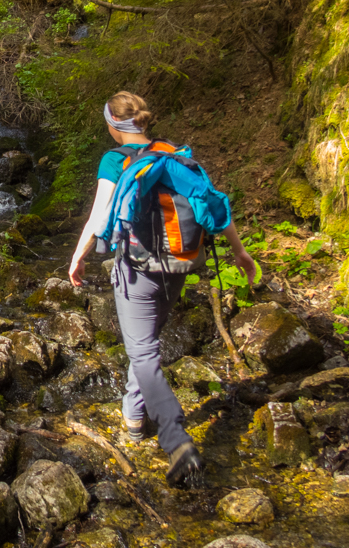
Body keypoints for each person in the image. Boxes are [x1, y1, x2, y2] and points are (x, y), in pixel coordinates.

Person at [67, 91, 257, 486]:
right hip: (180, 265)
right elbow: (212, 204)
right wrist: (240, 253)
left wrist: (79, 256)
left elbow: (99, 215)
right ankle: (134, 417)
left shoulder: (115, 160)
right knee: (147, 345)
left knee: (142, 351)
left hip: (137, 269)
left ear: (112, 125)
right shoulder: (172, 153)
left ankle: (175, 438)